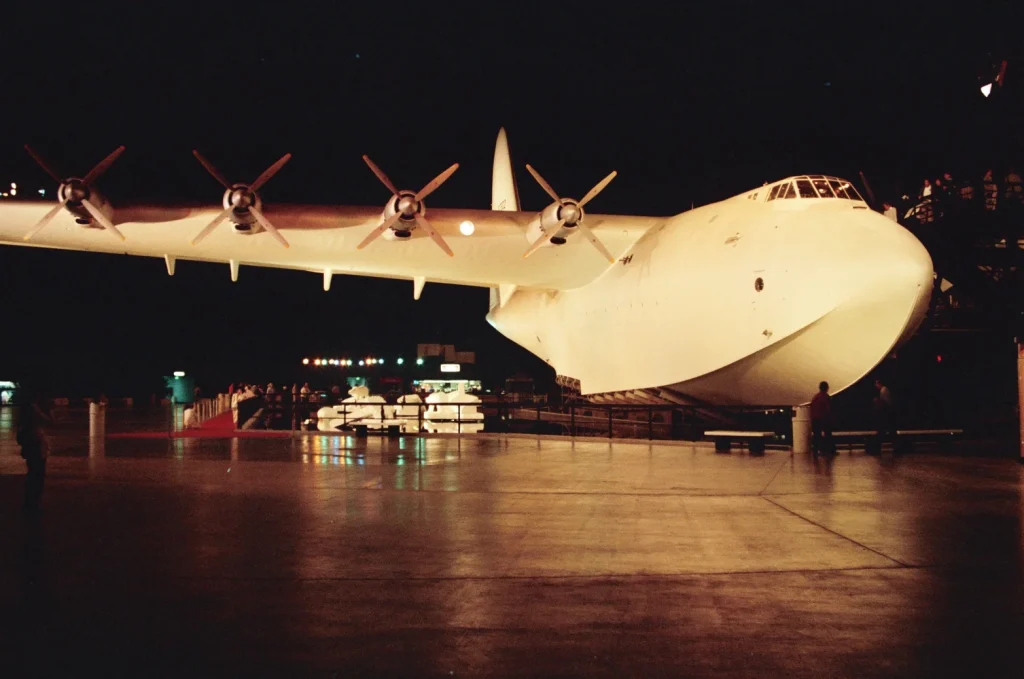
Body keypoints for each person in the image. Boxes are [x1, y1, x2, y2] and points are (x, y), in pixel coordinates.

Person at [16, 390, 53, 511]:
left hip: (31, 445)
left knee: (32, 474)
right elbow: (49, 421)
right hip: (36, 446)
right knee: (38, 474)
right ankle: (34, 502)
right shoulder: (34, 409)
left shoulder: (25, 413)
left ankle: (30, 501)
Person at [809, 381, 833, 456]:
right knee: (828, 434)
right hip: (823, 419)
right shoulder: (825, 396)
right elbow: (828, 408)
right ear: (826, 388)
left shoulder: (815, 397)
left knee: (816, 435)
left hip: (815, 419)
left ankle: (816, 451)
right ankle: (829, 450)